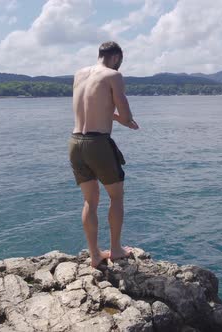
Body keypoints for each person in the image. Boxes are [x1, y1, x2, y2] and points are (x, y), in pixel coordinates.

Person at [68, 41, 139, 268]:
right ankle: (116, 250)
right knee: (116, 197)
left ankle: (95, 255)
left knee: (90, 200)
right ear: (116, 57)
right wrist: (125, 121)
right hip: (98, 143)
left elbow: (89, 106)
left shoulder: (79, 74)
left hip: (75, 142)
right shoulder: (113, 76)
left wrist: (112, 114)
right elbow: (125, 114)